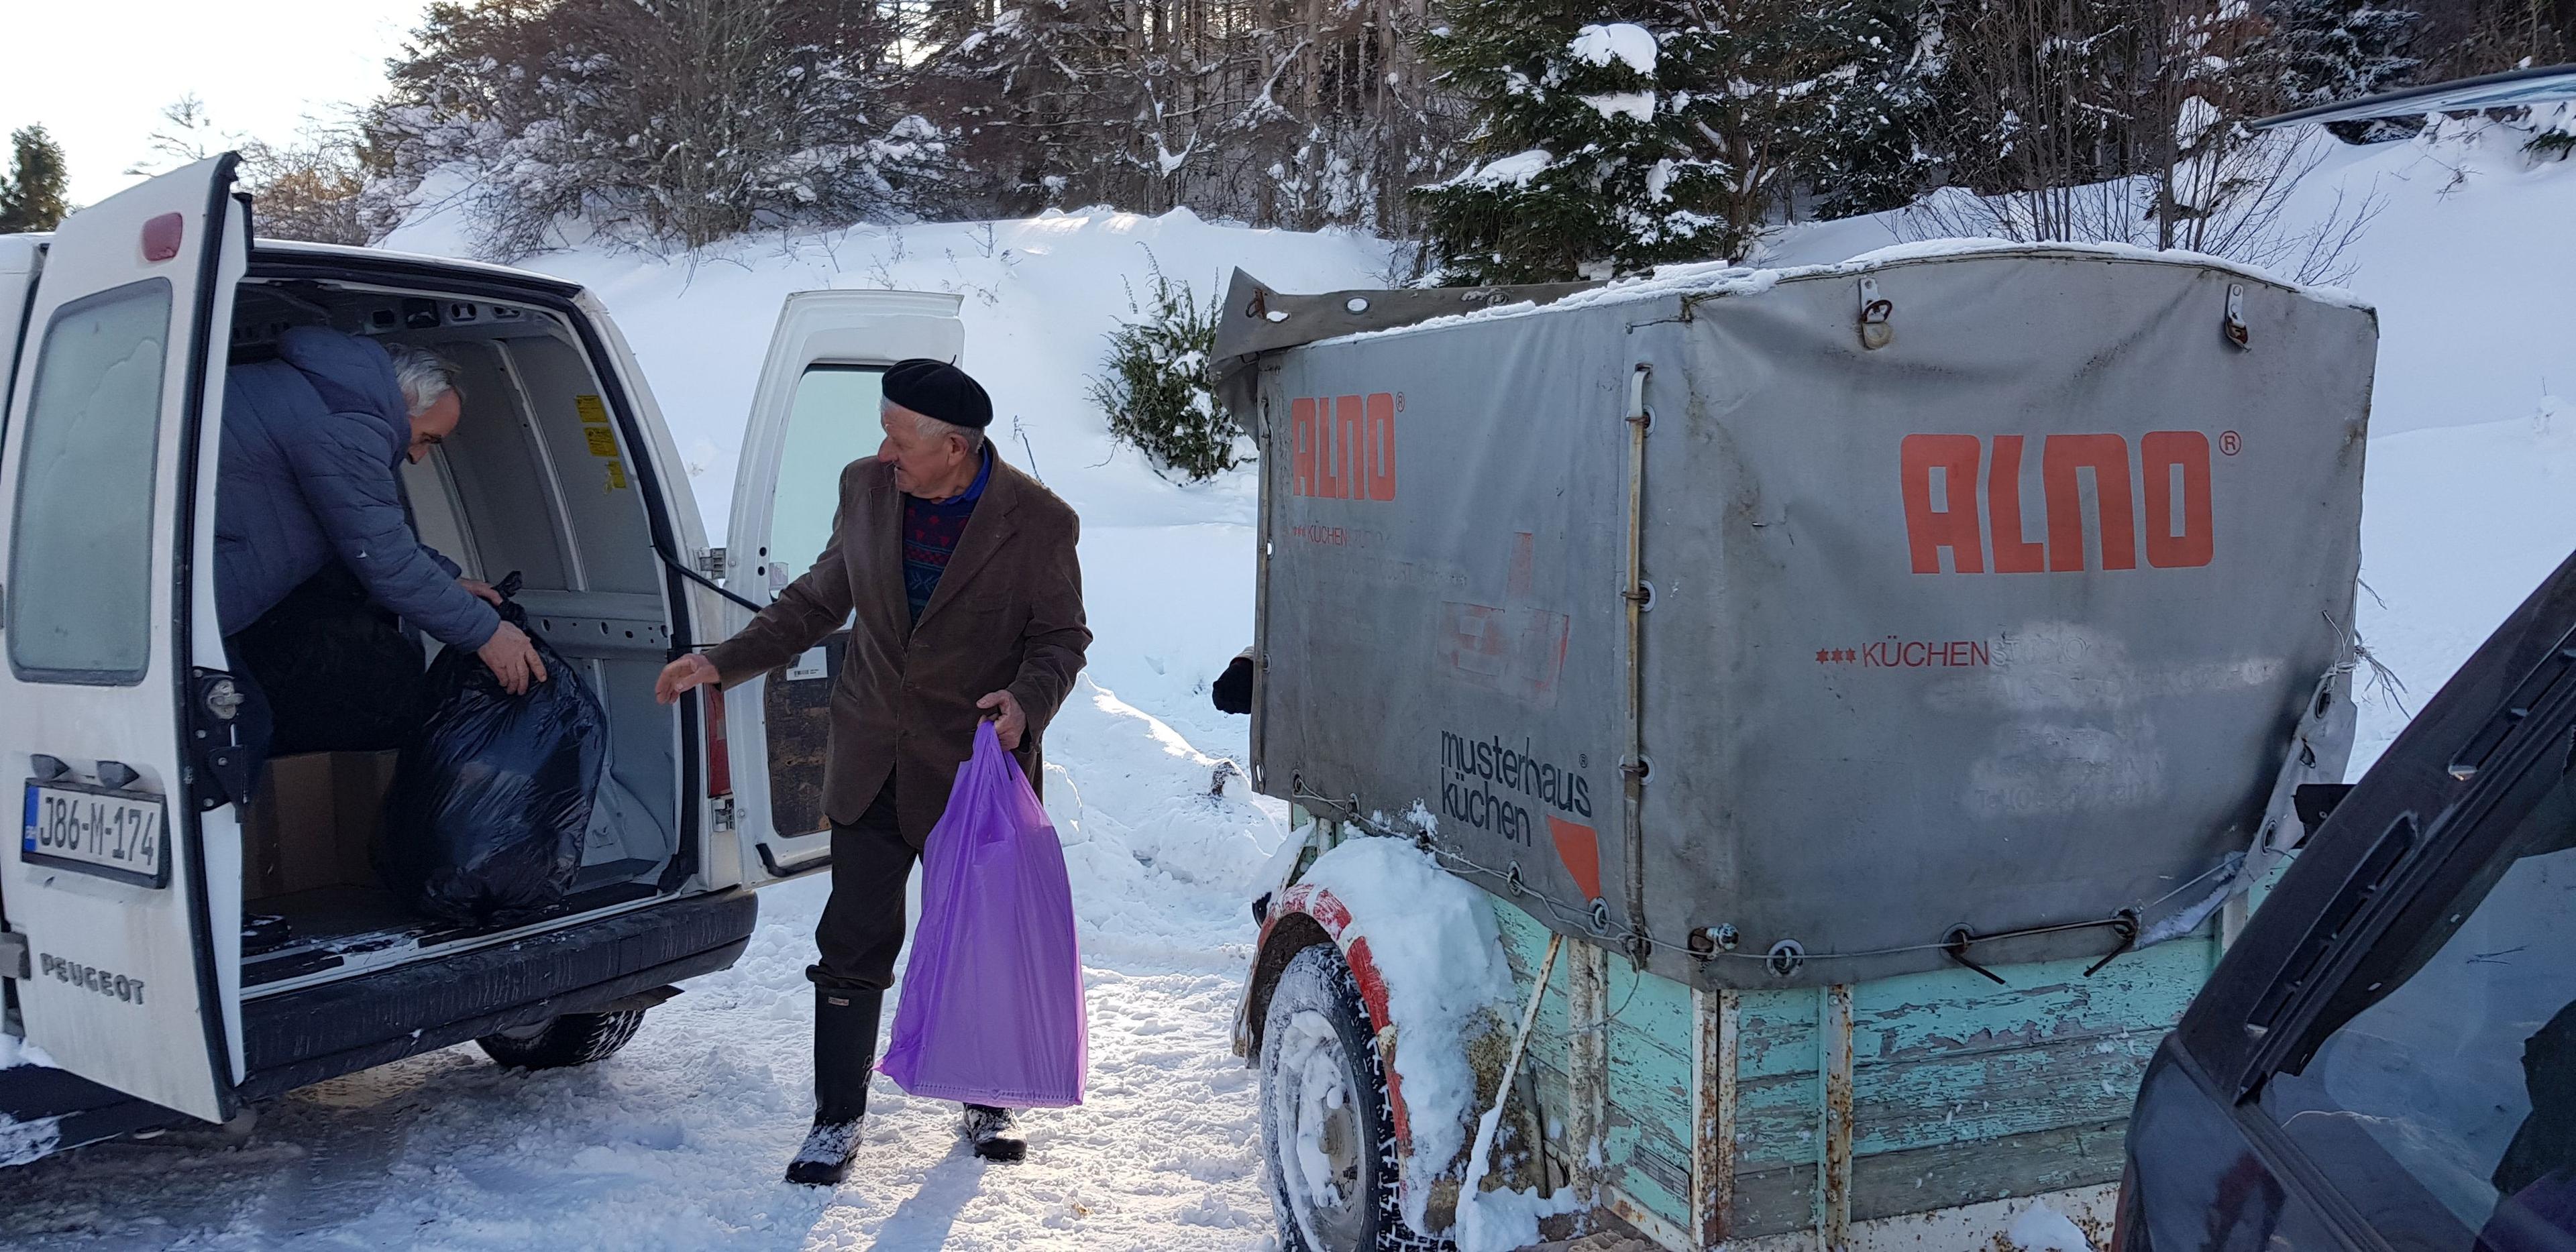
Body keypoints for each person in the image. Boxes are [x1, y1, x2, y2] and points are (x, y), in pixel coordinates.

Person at [655, 358, 1089, 1186]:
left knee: (976, 940)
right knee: (851, 939)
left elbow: (1061, 639)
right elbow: (819, 599)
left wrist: (1026, 703)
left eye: (900, 440)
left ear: (955, 447)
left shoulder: (1037, 522)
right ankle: (835, 1119)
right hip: (870, 758)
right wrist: (722, 661)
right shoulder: (866, 487)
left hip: (974, 770)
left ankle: (986, 1090)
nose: (884, 453)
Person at [217, 328, 547, 767]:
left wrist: (448, 579)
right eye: (427, 439)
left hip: (190, 597)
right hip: (173, 604)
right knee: (234, 737)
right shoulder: (350, 424)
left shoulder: (328, 398)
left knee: (248, 722)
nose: (417, 457)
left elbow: (354, 530)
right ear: (404, 404)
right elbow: (381, 555)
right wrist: (486, 633)